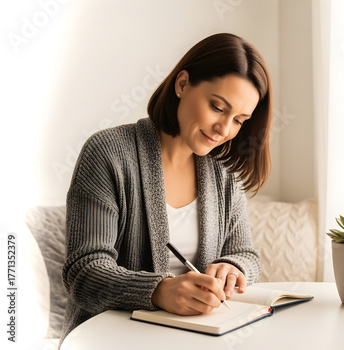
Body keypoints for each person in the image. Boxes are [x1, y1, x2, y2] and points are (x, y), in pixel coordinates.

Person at [60, 33, 272, 344]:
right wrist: (158, 291)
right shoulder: (108, 153)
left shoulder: (224, 171)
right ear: (183, 84)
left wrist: (233, 266)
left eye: (239, 120)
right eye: (217, 107)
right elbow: (84, 272)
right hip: (110, 339)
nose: (224, 130)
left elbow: (245, 254)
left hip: (195, 338)